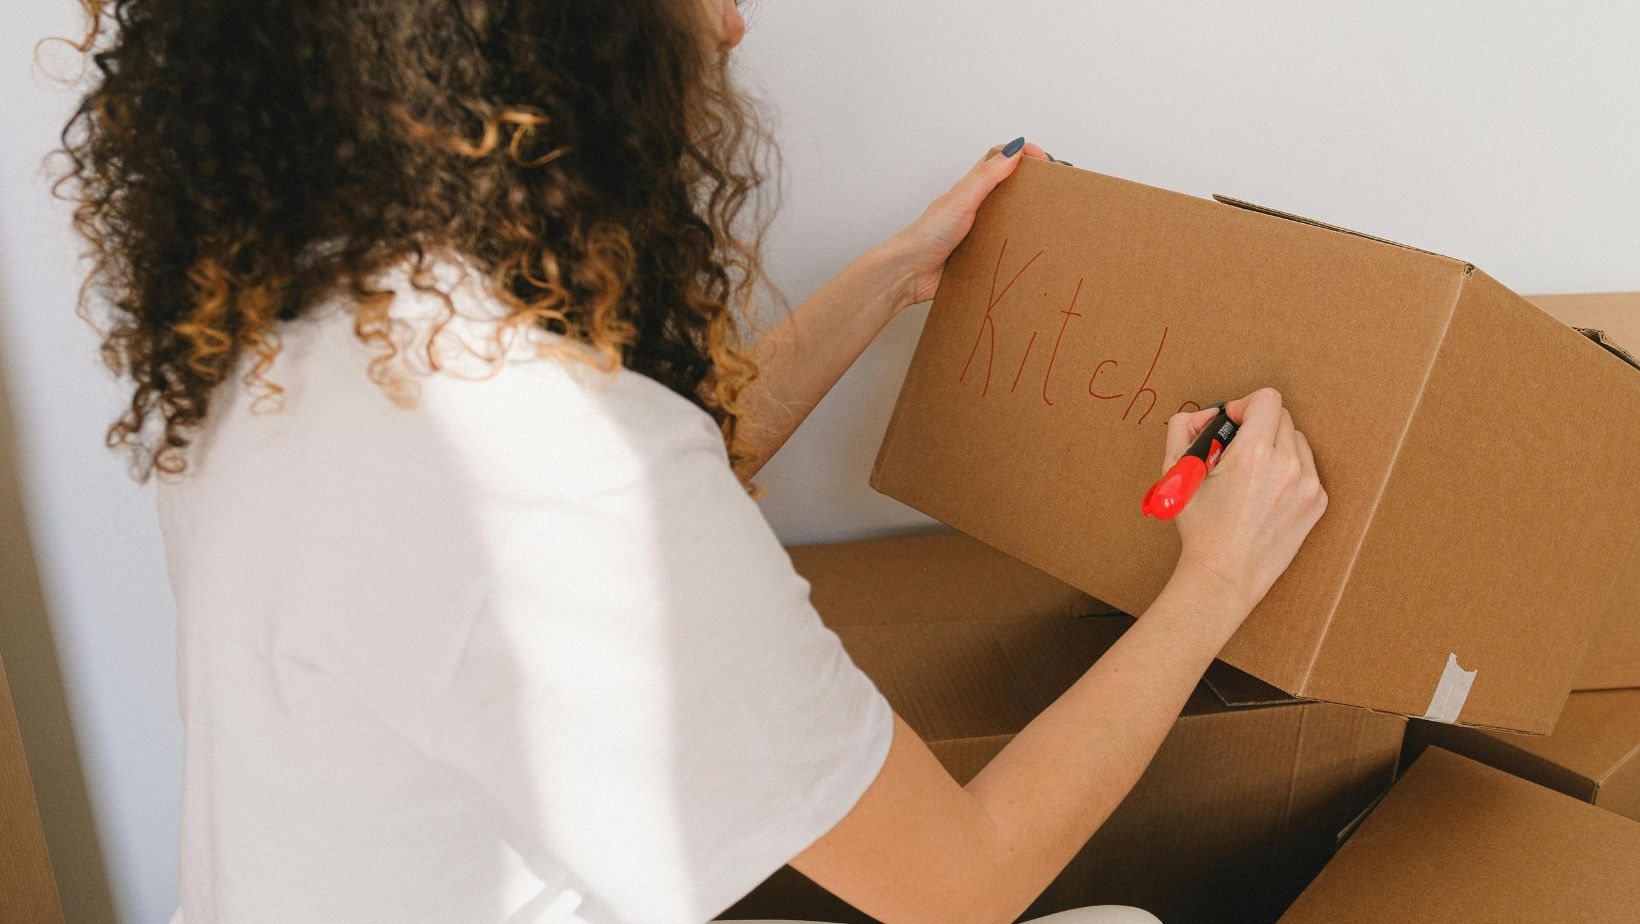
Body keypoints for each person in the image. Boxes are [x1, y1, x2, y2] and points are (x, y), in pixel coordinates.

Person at [54, 0, 1326, 921]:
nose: (728, 23)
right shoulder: (558, 469)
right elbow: (962, 886)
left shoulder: (303, 328)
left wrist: (884, 282)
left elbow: (646, 492)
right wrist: (1214, 581)